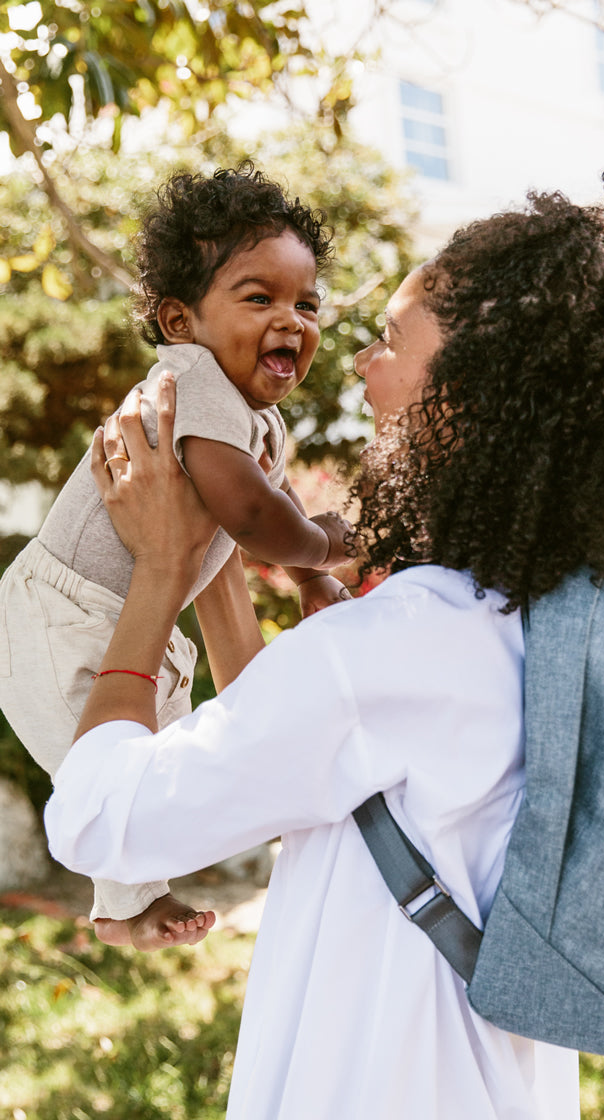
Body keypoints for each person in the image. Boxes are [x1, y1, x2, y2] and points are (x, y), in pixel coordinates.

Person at [44, 181, 604, 1120]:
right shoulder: (541, 616)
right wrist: (215, 557)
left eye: (391, 342)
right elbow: (292, 756)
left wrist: (159, 579)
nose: (355, 362)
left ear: (475, 390)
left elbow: (100, 819)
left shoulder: (404, 641)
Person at [0, 162, 353, 950]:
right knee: (120, 782)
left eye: (306, 303)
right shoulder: (189, 384)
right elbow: (256, 514)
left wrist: (312, 576)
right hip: (59, 615)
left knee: (156, 762)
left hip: (114, 617)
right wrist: (328, 543)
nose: (291, 320)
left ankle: (125, 902)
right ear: (180, 322)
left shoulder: (252, 417)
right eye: (258, 298)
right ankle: (124, 903)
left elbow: (273, 498)